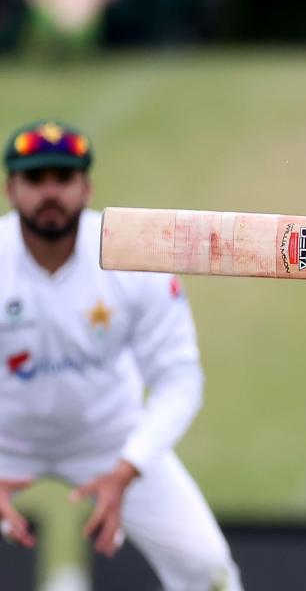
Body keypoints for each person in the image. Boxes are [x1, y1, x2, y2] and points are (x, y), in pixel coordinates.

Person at [0, 120, 242, 589]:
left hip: (111, 439)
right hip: (4, 440)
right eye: (35, 179)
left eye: (63, 178)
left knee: (208, 570)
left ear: (86, 187)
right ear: (11, 189)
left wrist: (128, 468)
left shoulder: (134, 255)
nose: (50, 192)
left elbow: (179, 380)